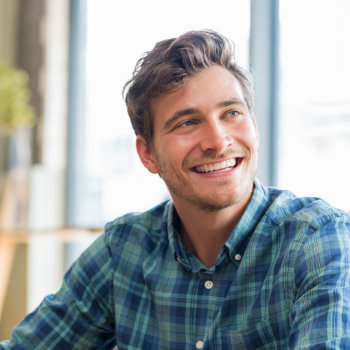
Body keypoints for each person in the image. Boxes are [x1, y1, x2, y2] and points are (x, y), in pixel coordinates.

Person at [1, 29, 350, 350]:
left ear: (254, 127)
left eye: (231, 113)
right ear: (148, 154)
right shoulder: (123, 251)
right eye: (188, 122)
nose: (218, 141)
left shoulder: (317, 240)